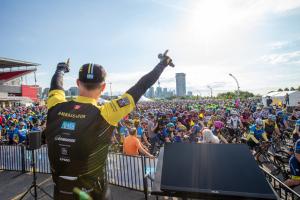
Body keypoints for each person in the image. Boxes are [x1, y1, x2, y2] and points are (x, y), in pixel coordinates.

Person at [44, 51, 174, 200]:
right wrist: (162, 63)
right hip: (93, 192)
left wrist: (60, 69)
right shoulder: (107, 113)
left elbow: (56, 85)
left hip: (60, 191)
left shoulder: (55, 106)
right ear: (104, 87)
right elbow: (141, 86)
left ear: (78, 83)